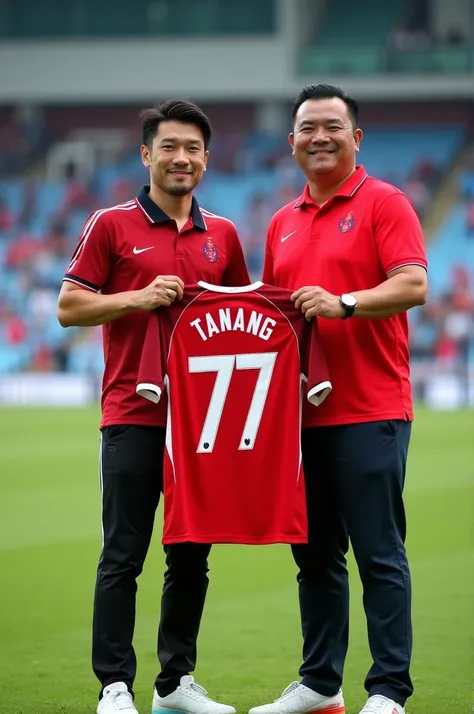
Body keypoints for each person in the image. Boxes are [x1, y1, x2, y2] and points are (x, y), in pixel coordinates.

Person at [57, 99, 250, 714]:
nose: (181, 158)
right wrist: (136, 299)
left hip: (202, 424)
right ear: (147, 155)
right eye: (169, 146)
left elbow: (246, 314)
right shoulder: (110, 224)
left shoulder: (223, 235)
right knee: (123, 554)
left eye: (192, 148)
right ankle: (115, 685)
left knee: (192, 552)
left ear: (206, 159)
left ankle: (175, 684)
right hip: (133, 414)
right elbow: (69, 307)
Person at [249, 85, 428, 714]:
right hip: (301, 417)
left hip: (371, 407)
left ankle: (388, 691)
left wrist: (344, 302)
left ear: (357, 137)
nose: (319, 136)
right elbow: (273, 317)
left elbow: (413, 284)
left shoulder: (386, 203)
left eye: (332, 125)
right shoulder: (280, 222)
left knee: (380, 554)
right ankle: (322, 684)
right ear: (291, 141)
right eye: (307, 127)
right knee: (315, 556)